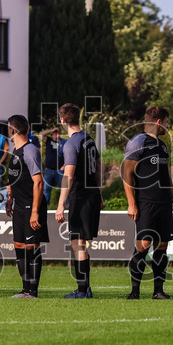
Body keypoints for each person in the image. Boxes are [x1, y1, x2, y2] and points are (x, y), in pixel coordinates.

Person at [124, 106, 173, 300]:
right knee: (143, 244)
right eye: (167, 122)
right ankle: (134, 291)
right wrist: (131, 203)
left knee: (162, 245)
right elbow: (127, 174)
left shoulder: (162, 145)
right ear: (159, 122)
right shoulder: (138, 142)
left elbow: (166, 176)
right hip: (145, 202)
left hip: (164, 203)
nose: (168, 126)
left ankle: (158, 291)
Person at [54, 103, 102, 299]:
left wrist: (60, 204)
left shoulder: (71, 143)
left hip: (80, 195)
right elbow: (98, 164)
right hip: (92, 194)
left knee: (78, 243)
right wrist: (99, 192)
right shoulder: (88, 139)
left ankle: (82, 290)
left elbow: (69, 176)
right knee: (80, 242)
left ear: (63, 120)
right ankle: (85, 288)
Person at [6, 115, 48, 298]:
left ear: (13, 130)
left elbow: (38, 182)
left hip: (32, 206)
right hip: (19, 205)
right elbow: (14, 178)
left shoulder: (30, 150)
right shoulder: (15, 150)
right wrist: (10, 199)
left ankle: (33, 291)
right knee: (19, 245)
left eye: (8, 127)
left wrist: (35, 212)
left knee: (32, 246)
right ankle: (25, 290)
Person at [42, 128, 66, 206]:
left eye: (58, 133)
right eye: (54, 133)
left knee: (64, 188)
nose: (56, 135)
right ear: (52, 135)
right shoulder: (48, 140)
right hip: (48, 170)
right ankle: (45, 206)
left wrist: (64, 165)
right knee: (46, 189)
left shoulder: (64, 142)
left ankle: (66, 204)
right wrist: (52, 130)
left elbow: (68, 154)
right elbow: (42, 134)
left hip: (60, 170)